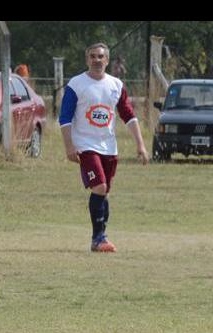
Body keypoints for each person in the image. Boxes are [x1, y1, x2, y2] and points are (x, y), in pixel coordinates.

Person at [59, 43, 148, 252]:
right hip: (85, 146)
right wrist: (69, 146)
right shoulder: (76, 84)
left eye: (100, 56)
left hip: (109, 147)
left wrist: (140, 144)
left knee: (105, 191)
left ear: (107, 60)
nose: (97, 60)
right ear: (87, 60)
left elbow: (128, 115)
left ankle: (102, 236)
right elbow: (64, 118)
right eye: (92, 56)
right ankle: (98, 238)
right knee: (99, 187)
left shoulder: (116, 85)